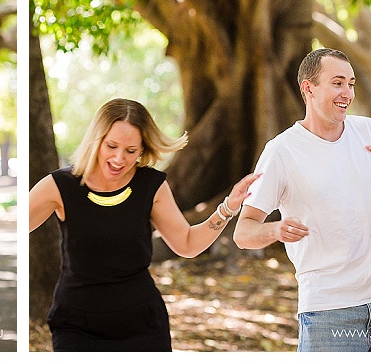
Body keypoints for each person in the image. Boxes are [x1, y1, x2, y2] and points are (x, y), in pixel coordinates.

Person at [233, 48, 371, 351]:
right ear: (308, 88)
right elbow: (243, 232)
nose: (347, 93)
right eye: (338, 83)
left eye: (351, 84)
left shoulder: (369, 130)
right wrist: (275, 230)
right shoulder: (281, 151)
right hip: (328, 311)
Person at [27, 98, 261, 351]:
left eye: (131, 151)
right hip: (77, 325)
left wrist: (227, 208)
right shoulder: (60, 186)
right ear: (96, 140)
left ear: (142, 149)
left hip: (142, 326)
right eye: (112, 146)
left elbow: (187, 244)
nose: (119, 158)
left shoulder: (150, 185)